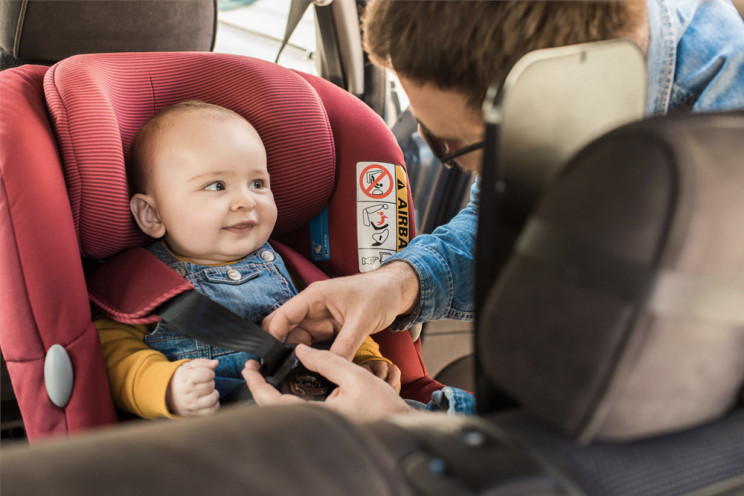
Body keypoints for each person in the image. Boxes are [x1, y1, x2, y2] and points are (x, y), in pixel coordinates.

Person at [243, 0, 744, 419]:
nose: (431, 146)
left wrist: (409, 426)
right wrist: (398, 284)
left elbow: (671, 442)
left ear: (553, 102)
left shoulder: (726, 156)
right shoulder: (567, 79)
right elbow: (507, 216)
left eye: (449, 145)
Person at [95, 100, 400, 419]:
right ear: (152, 214)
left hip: (333, 410)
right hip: (234, 431)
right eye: (216, 186)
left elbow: (336, 319)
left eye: (257, 183)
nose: (245, 201)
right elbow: (116, 357)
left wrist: (365, 359)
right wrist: (167, 387)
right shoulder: (140, 287)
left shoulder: (291, 267)